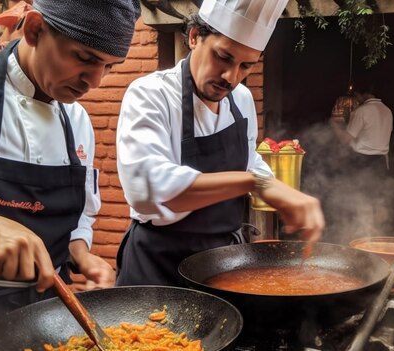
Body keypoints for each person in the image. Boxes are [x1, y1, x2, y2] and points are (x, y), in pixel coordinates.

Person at [0, 0, 140, 349]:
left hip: (55, 321)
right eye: (85, 58)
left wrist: (81, 254)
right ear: (34, 29)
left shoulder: (76, 120)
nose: (94, 81)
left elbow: (78, 217)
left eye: (109, 66)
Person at [116, 0, 325, 286]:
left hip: (221, 263)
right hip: (157, 266)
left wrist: (279, 191)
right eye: (223, 57)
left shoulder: (242, 100)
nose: (231, 77)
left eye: (246, 66)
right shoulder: (150, 95)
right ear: (193, 37)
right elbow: (150, 188)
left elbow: (248, 159)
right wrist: (256, 183)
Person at [329, 84, 393, 237]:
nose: (356, 98)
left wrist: (334, 125)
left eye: (357, 95)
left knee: (362, 203)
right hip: (381, 163)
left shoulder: (362, 111)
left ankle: (363, 238)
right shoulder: (387, 110)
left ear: (363, 94)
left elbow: (346, 139)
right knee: (377, 201)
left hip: (363, 162)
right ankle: (378, 235)